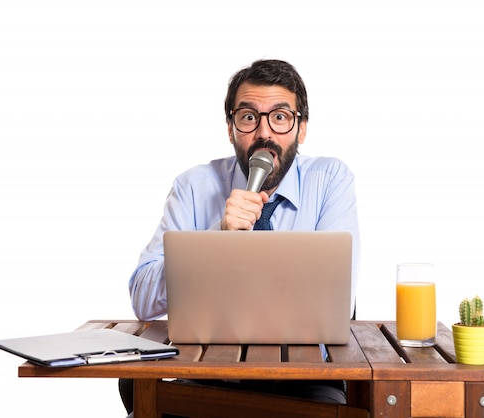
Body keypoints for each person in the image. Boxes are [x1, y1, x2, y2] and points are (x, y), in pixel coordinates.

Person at [120, 59, 360, 417]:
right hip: (206, 371)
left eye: (280, 117)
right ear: (231, 129)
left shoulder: (329, 180)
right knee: (138, 391)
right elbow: (142, 298)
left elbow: (338, 298)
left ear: (302, 128)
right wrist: (218, 238)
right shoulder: (193, 186)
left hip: (306, 377)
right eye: (249, 117)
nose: (264, 133)